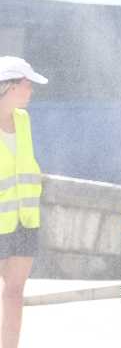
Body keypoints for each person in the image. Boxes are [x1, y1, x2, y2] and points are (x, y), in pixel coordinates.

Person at [0, 58, 46, 348]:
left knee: (15, 293)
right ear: (9, 86)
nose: (31, 91)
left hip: (25, 221)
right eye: (28, 85)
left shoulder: (24, 121)